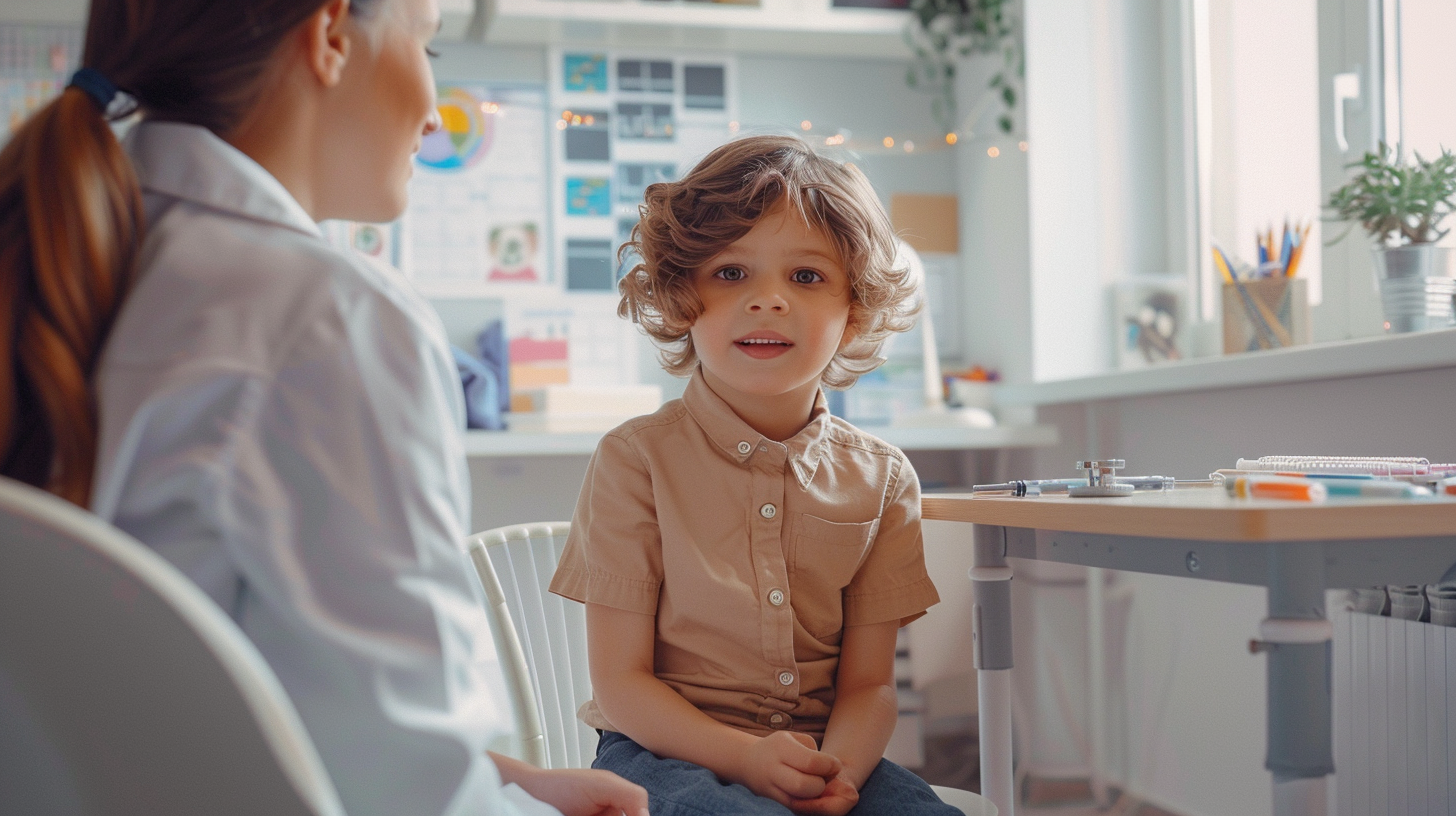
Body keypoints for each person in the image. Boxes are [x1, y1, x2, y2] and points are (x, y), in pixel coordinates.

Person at [0, 2, 647, 815]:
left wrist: (513, 784)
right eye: (428, 44)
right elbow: (411, 797)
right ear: (332, 34)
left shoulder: (61, 252)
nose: (431, 109)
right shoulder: (326, 319)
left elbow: (163, 706)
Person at [549, 135, 958, 816]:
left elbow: (869, 687)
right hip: (659, 752)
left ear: (852, 308)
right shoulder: (635, 461)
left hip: (823, 749)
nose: (768, 301)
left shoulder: (884, 480)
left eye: (805, 277)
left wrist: (840, 777)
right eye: (732, 273)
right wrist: (745, 759)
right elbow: (621, 683)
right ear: (684, 296)